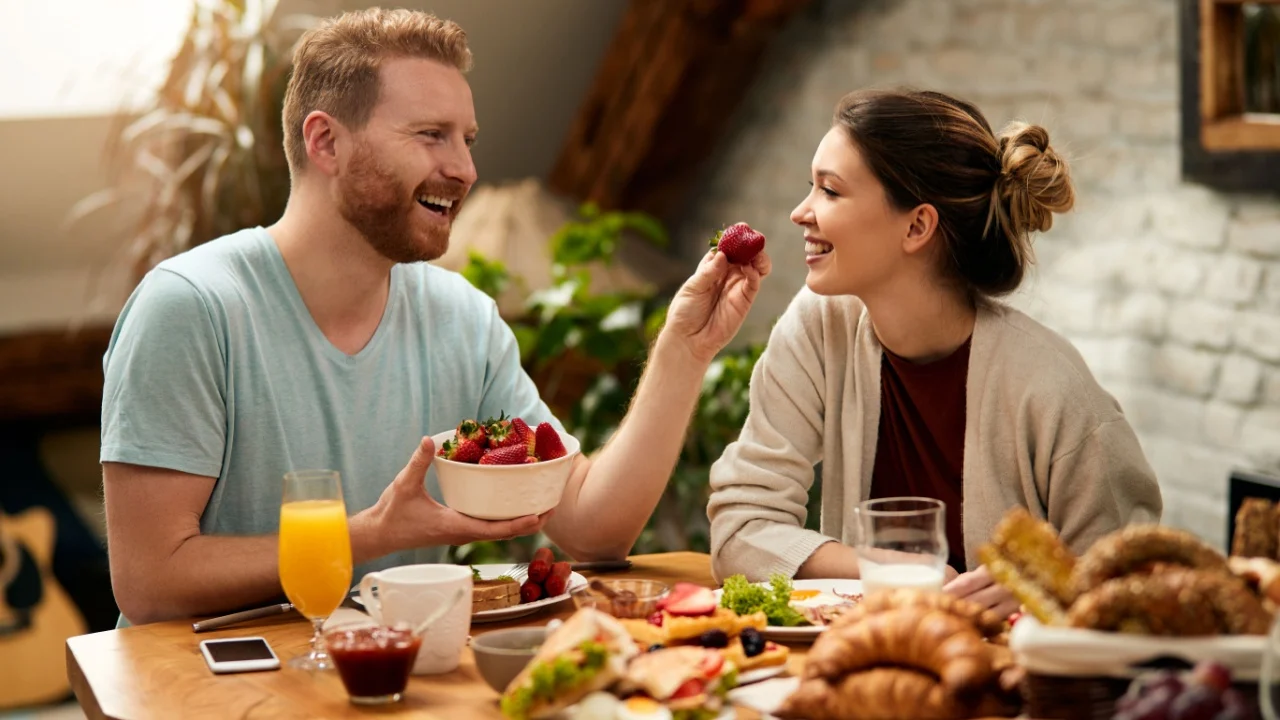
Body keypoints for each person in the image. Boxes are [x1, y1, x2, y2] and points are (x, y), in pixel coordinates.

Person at [101, 8, 771, 626]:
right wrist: (374, 533)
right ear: (326, 143)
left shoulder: (463, 320)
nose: (466, 168)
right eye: (431, 136)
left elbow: (593, 528)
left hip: (384, 684)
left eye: (467, 139)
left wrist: (684, 349)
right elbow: (150, 581)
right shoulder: (191, 308)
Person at [706, 88, 1161, 618]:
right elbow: (740, 527)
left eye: (830, 191)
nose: (799, 212)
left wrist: (1045, 588)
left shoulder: (1053, 389)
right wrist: (890, 569)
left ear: (917, 226)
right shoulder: (819, 327)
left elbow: (1138, 579)